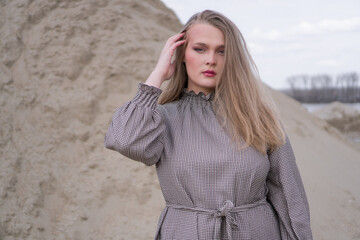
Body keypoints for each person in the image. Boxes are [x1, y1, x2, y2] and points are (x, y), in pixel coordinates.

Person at [104, 10, 313, 240]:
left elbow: (289, 196)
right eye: (199, 49)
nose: (211, 59)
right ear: (182, 54)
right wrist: (158, 74)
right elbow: (124, 139)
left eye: (221, 51)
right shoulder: (162, 118)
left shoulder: (258, 117)